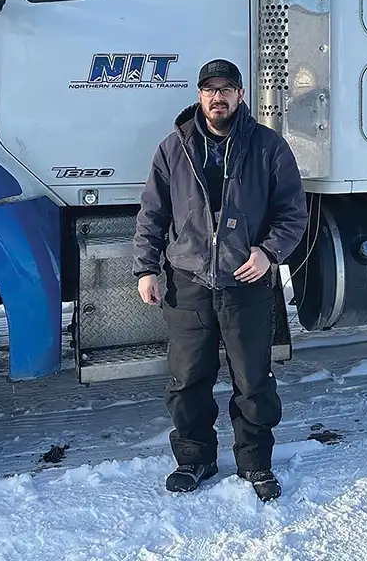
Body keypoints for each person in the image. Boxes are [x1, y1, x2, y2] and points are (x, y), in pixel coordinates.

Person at [132, 58, 308, 502]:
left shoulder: (269, 147)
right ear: (199, 96)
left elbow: (293, 212)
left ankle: (256, 463)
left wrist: (268, 253)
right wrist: (147, 267)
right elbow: (152, 214)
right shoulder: (174, 148)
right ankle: (195, 459)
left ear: (241, 95)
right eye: (209, 89)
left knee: (252, 379)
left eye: (226, 88)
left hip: (245, 282)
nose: (217, 97)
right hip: (187, 279)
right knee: (189, 378)